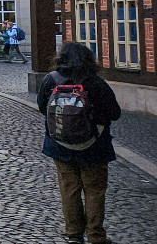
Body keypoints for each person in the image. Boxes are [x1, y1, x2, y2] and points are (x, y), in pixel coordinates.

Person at [36, 43, 122, 244]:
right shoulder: (95, 82)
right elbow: (115, 113)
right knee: (94, 190)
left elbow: (42, 107)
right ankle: (96, 235)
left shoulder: (51, 80)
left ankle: (73, 233)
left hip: (59, 144)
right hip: (94, 146)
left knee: (69, 189)